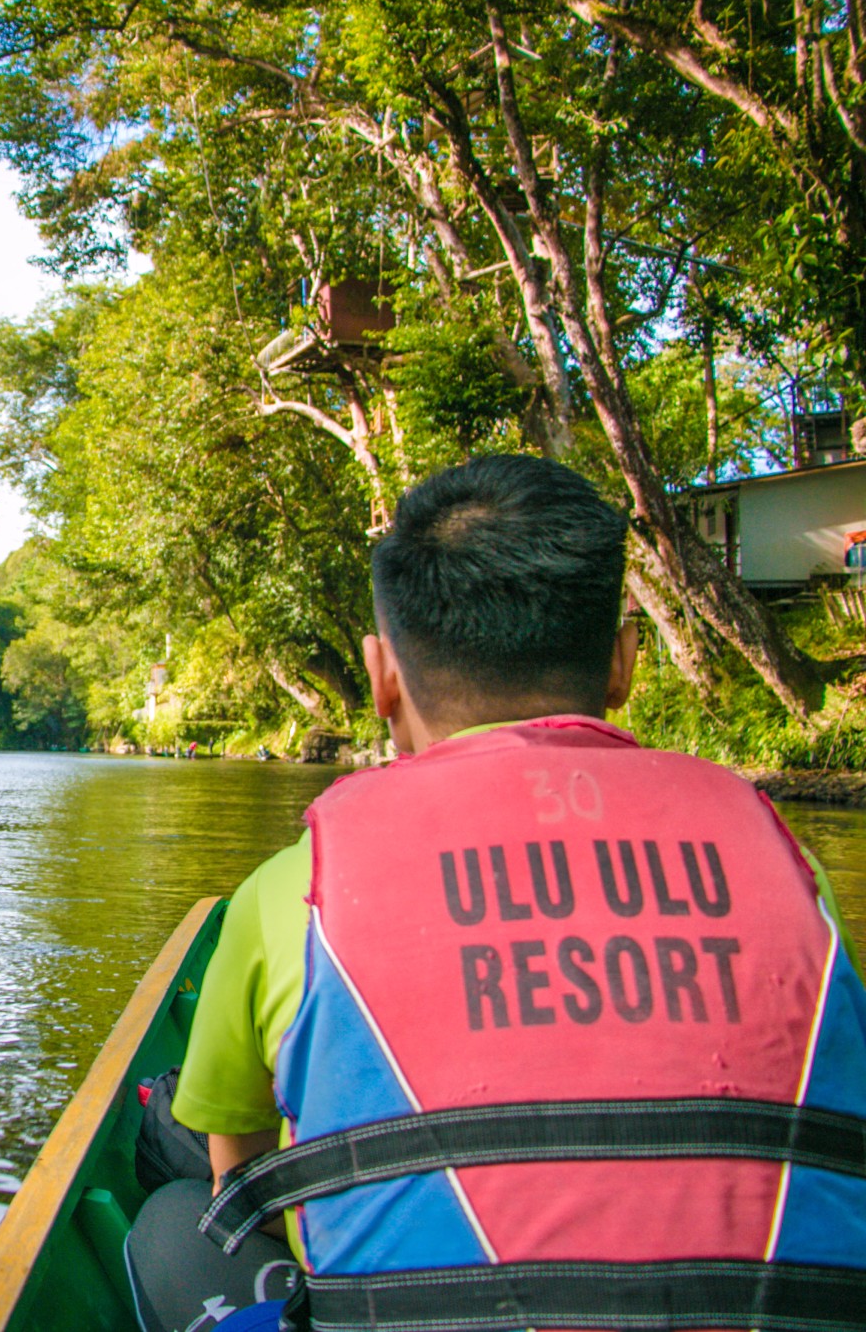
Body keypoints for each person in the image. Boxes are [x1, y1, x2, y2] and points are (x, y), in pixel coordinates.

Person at [129, 455, 866, 1331]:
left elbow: (237, 1174)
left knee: (175, 1223)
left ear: (381, 675)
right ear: (625, 663)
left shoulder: (297, 886)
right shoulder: (789, 863)